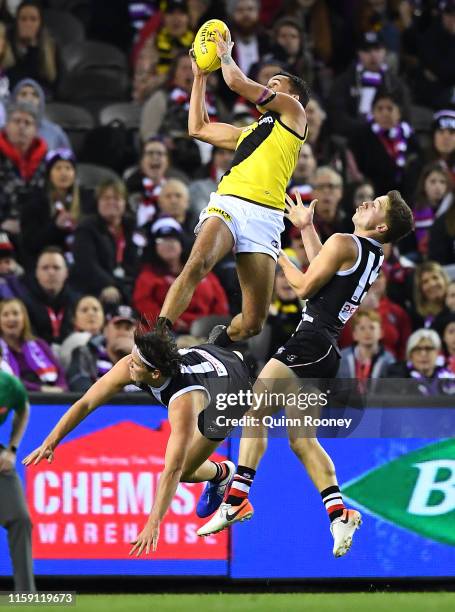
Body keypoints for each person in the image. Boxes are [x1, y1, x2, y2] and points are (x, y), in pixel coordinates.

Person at [197, 188, 414, 558]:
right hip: (327, 351)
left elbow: (303, 287)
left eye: (375, 205)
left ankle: (236, 499)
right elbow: (322, 272)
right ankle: (339, 513)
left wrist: (273, 251)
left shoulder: (346, 241)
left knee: (255, 412)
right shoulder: (369, 254)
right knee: (302, 440)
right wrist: (307, 228)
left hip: (309, 341)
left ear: (379, 225)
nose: (365, 202)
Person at [23, 326, 252, 556]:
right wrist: (51, 442)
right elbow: (86, 403)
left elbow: (172, 470)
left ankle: (221, 473)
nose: (128, 363)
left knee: (184, 471)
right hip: (208, 357)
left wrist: (153, 523)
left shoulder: (183, 402)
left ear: (154, 374)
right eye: (131, 357)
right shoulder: (134, 365)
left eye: (135, 362)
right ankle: (221, 472)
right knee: (183, 467)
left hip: (230, 393)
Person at [158, 34, 309, 346]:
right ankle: (158, 336)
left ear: (293, 97)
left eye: (276, 83)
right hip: (230, 203)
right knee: (197, 263)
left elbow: (238, 83)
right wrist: (199, 77)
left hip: (266, 217)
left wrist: (224, 55)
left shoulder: (296, 116)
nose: (270, 86)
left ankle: (220, 343)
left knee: (253, 323)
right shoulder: (248, 132)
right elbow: (197, 127)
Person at [133, 217, 228, 333]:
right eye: (161, 241)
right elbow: (144, 304)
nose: (168, 245)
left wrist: (213, 327)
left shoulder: (201, 270)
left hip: (205, 331)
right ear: (154, 247)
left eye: (173, 240)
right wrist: (170, 322)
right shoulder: (148, 275)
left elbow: (220, 304)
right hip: (166, 333)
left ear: (182, 244)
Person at [328, 30, 411, 140]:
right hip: (352, 138)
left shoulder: (395, 85)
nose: (373, 55)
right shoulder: (344, 82)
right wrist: (366, 129)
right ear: (358, 53)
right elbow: (337, 117)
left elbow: (405, 117)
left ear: (385, 51)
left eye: (377, 49)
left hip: (388, 139)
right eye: (366, 50)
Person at [20, 148, 94, 267]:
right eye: (58, 168)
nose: (63, 173)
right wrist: (55, 227)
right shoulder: (35, 202)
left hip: (82, 262)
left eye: (68, 168)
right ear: (49, 173)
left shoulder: (88, 199)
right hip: (45, 263)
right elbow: (30, 243)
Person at [0, 345, 35, 592]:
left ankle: (26, 594)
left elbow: (24, 410)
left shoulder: (9, 384)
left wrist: (11, 450)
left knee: (20, 519)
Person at [71, 179, 139, 305]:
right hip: (96, 287)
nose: (111, 202)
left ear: (125, 203)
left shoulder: (133, 227)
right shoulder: (86, 227)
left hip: (126, 286)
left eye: (117, 198)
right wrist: (109, 284)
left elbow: (137, 262)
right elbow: (87, 265)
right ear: (98, 202)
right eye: (106, 198)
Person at [349, 88, 420, 197]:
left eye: (390, 108)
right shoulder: (362, 136)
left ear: (399, 113)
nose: (385, 113)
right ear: (373, 112)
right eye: (380, 109)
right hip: (373, 197)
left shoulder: (409, 137)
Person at [0, 298, 67, 392]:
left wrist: (61, 389)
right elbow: (5, 380)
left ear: (24, 318)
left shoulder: (40, 344)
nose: (11, 318)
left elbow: (60, 373)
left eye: (15, 313)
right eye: (5, 315)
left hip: (51, 398)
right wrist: (40, 389)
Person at [0, 101, 47, 234]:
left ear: (36, 130)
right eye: (16, 121)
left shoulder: (47, 161)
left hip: (36, 232)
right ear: (7, 126)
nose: (22, 127)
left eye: (27, 123)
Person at [66, 304, 137, 392]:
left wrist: (134, 357)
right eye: (118, 327)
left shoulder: (147, 361)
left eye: (128, 328)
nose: (122, 333)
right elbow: (80, 388)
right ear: (105, 330)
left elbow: (155, 394)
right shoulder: (85, 353)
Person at [22, 246, 79, 345]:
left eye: (56, 267)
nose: (51, 272)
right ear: (37, 273)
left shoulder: (78, 302)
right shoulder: (24, 305)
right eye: (45, 268)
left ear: (66, 272)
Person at [6, 0, 58, 94]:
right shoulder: (6, 43)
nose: (28, 24)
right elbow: (10, 79)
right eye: (23, 19)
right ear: (16, 22)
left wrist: (33, 47)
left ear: (40, 23)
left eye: (33, 19)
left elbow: (53, 82)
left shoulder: (50, 46)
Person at [384, 328, 455, 395]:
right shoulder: (397, 377)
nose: (423, 354)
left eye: (428, 348)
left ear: (437, 353)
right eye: (417, 349)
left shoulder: (448, 377)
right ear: (410, 355)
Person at [337, 309, 395, 388]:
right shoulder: (342, 358)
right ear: (354, 335)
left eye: (372, 327)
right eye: (362, 328)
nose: (367, 332)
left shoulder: (389, 361)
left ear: (381, 333)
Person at [11, 78, 70, 151]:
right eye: (23, 94)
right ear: (13, 100)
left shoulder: (55, 133)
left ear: (41, 101)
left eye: (34, 95)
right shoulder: (3, 132)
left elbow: (66, 160)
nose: (29, 98)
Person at [58, 295, 105, 370]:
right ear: (74, 319)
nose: (91, 313)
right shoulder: (74, 341)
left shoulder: (109, 339)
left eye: (95, 309)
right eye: (84, 310)